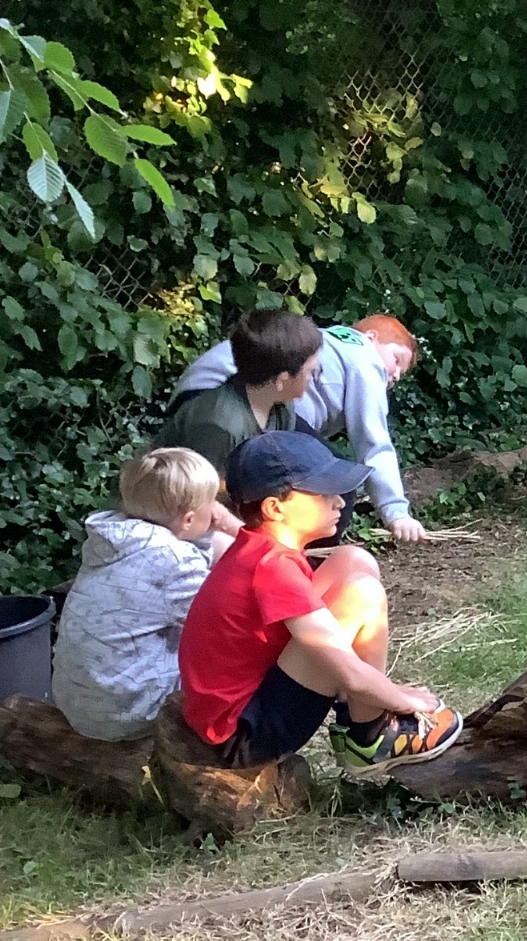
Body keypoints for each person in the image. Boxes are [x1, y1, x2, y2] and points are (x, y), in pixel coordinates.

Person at [178, 432, 462, 772]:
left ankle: (361, 713)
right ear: (274, 508)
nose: (340, 502)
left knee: (353, 559)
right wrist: (402, 699)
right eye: (324, 493)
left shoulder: (262, 548)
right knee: (363, 593)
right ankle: (369, 737)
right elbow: (350, 674)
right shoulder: (272, 568)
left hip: (251, 698)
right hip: (242, 737)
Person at [172, 314, 429, 542]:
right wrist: (396, 512)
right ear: (370, 337)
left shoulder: (314, 355)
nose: (395, 375)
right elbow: (374, 442)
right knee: (332, 487)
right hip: (218, 394)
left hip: (212, 389)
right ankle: (301, 564)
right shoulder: (364, 357)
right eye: (397, 360)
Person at [51, 449, 232, 742]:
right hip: (127, 712)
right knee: (236, 648)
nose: (216, 510)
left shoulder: (113, 537)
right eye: (211, 502)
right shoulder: (175, 561)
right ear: (188, 520)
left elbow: (204, 547)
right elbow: (228, 615)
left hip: (78, 702)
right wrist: (233, 526)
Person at [156, 310, 323, 530]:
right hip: (179, 516)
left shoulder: (281, 406)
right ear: (282, 380)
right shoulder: (219, 425)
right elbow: (205, 503)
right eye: (311, 371)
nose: (313, 378)